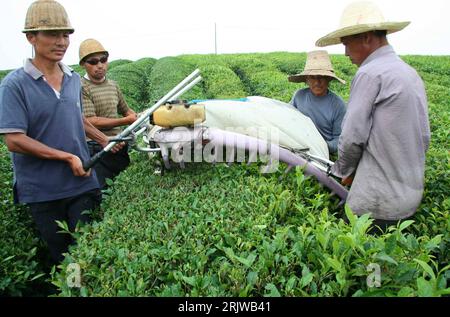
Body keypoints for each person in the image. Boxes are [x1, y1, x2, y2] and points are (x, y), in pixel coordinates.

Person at [0, 0, 117, 263]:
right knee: (65, 259)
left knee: (87, 253)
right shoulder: (14, 85)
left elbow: (76, 118)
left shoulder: (73, 78)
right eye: (52, 34)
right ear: (31, 37)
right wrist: (66, 157)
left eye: (65, 35)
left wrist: (103, 138)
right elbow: (15, 140)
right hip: (44, 191)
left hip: (82, 183)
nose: (61, 41)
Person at [315, 1, 430, 231]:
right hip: (408, 200)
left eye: (347, 44)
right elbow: (424, 137)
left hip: (376, 204)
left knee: (359, 263)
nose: (346, 53)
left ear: (367, 37)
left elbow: (351, 137)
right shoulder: (410, 73)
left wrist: (342, 171)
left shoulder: (369, 73)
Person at [79, 38, 137, 189]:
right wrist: (125, 120)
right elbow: (91, 121)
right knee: (102, 189)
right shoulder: (81, 87)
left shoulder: (113, 85)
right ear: (83, 64)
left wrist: (134, 117)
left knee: (123, 187)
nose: (99, 65)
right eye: (93, 62)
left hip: (118, 143)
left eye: (103, 60)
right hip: (97, 147)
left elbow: (126, 110)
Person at [288, 50, 347, 155]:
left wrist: (320, 146)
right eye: (312, 77)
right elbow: (286, 118)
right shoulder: (299, 96)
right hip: (298, 150)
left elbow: (339, 140)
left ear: (329, 79)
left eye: (321, 77)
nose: (317, 82)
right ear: (306, 79)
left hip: (323, 155)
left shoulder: (338, 105)